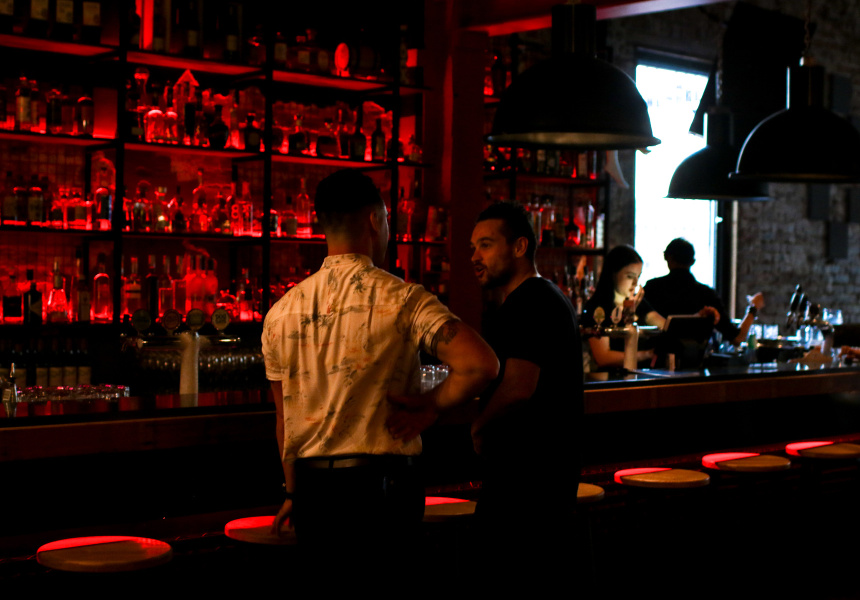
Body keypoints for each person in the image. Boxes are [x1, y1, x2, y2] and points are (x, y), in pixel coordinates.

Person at [262, 169, 498, 580]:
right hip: (384, 489)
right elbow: (482, 364)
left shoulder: (281, 313)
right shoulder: (403, 299)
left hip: (313, 493)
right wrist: (431, 406)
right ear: (375, 220)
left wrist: (293, 493)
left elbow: (285, 419)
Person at [468, 201, 583, 590]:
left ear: (519, 247)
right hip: (548, 476)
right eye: (473, 247)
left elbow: (519, 387)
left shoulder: (529, 302)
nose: (475, 257)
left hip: (528, 479)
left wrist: (480, 425)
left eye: (486, 245)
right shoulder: (546, 296)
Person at [644, 238, 764, 347]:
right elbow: (737, 338)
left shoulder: (651, 288)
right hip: (694, 362)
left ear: (667, 257)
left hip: (653, 359)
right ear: (693, 261)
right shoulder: (706, 294)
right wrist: (753, 308)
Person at [580, 245, 671, 369]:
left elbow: (665, 325)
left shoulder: (638, 302)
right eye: (630, 276)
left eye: (638, 277)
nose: (635, 283)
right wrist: (647, 354)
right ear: (613, 274)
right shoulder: (597, 307)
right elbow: (603, 357)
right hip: (608, 377)